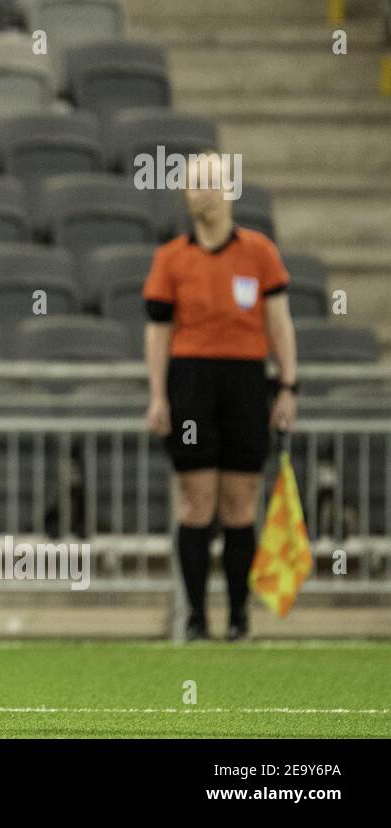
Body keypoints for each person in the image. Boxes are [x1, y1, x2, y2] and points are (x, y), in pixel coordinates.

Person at [143, 152, 298, 641]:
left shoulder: (260, 252)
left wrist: (289, 384)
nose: (199, 193)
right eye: (191, 185)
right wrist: (158, 396)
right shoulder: (171, 257)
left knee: (240, 504)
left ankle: (238, 617)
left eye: (208, 183)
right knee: (196, 504)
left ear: (229, 189)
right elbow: (157, 334)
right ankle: (195, 618)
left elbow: (279, 324)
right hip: (191, 383)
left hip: (247, 382)